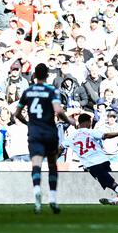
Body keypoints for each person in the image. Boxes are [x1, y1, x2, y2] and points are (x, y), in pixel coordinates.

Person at [14, 63, 75, 214]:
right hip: (49, 131)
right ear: (47, 75)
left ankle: (37, 196)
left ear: (34, 74)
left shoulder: (28, 91)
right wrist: (69, 121)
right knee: (52, 164)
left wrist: (28, 123)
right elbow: (58, 110)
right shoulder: (51, 90)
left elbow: (17, 114)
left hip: (34, 132)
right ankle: (53, 199)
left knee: (36, 164)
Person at [61, 113, 118, 203]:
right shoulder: (91, 131)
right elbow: (105, 136)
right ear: (88, 122)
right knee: (108, 182)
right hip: (104, 161)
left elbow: (60, 147)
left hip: (92, 165)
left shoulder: (71, 136)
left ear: (79, 123)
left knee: (113, 185)